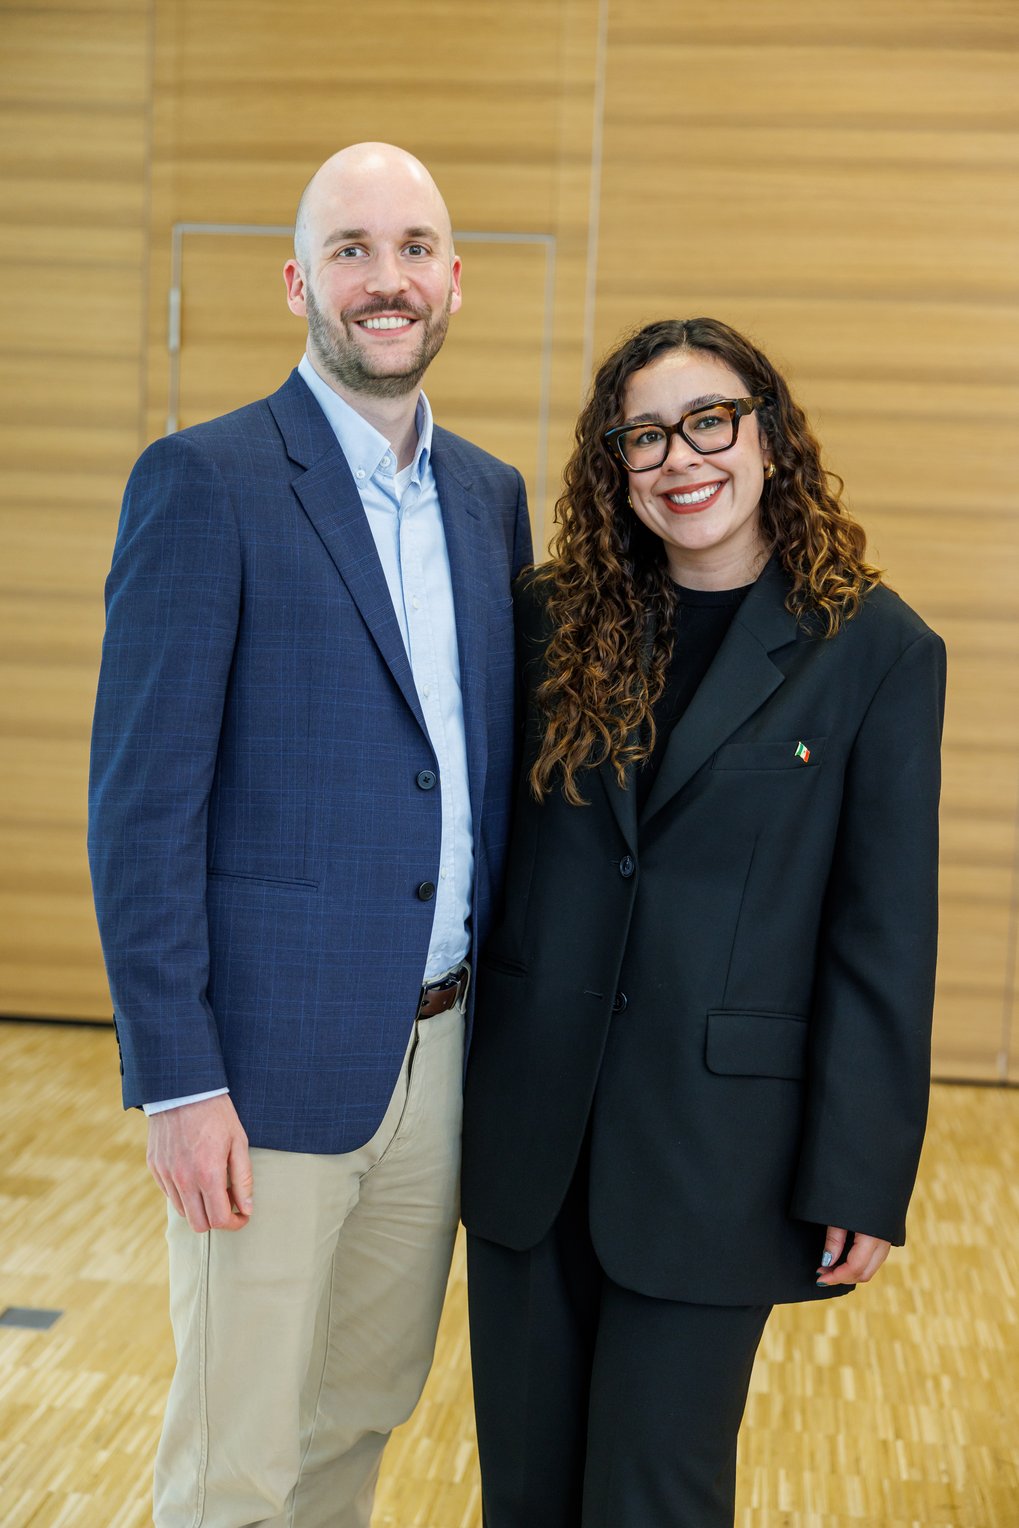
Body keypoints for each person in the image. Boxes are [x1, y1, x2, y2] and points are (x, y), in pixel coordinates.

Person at [87, 142, 531, 1527]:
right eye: (349, 250)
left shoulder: (489, 502)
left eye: (412, 248)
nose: (383, 279)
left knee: (359, 1416)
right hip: (262, 1078)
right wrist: (178, 1083)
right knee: (235, 1456)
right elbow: (139, 808)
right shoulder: (203, 483)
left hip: (443, 1054)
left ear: (453, 279)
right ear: (298, 283)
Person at [460, 316, 945, 1527]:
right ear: (614, 466)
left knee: (654, 1496)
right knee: (524, 1490)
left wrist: (861, 1169)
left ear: (768, 436)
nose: (680, 458)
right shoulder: (547, 622)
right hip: (532, 1138)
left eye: (708, 421)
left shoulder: (874, 652)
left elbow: (880, 927)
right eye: (643, 437)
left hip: (717, 1152)